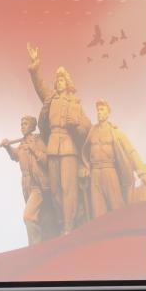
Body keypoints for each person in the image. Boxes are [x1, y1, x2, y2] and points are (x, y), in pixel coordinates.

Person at [26, 42, 91, 235]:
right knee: (55, 190)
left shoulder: (75, 104)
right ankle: (61, 223)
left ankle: (69, 226)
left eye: (62, 79)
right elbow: (40, 86)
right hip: (53, 147)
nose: (59, 82)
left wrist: (76, 125)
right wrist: (35, 65)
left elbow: (86, 130)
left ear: (67, 83)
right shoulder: (51, 99)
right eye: (57, 80)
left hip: (69, 149)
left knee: (68, 189)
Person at [81, 99, 146, 219]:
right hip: (95, 174)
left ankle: (123, 228)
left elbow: (131, 151)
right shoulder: (92, 132)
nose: (99, 112)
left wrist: (142, 173)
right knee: (97, 212)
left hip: (110, 172)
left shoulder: (115, 132)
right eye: (97, 110)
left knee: (117, 208)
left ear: (108, 113)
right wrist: (85, 167)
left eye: (102, 109)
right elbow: (86, 152)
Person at [0, 115, 50, 245]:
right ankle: (37, 247)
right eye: (21, 124)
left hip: (37, 186)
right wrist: (8, 147)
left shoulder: (37, 140)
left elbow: (47, 160)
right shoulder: (22, 144)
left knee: (29, 216)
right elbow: (16, 156)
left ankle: (35, 247)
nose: (22, 127)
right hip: (26, 186)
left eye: (25, 124)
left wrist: (34, 149)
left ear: (32, 126)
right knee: (37, 218)